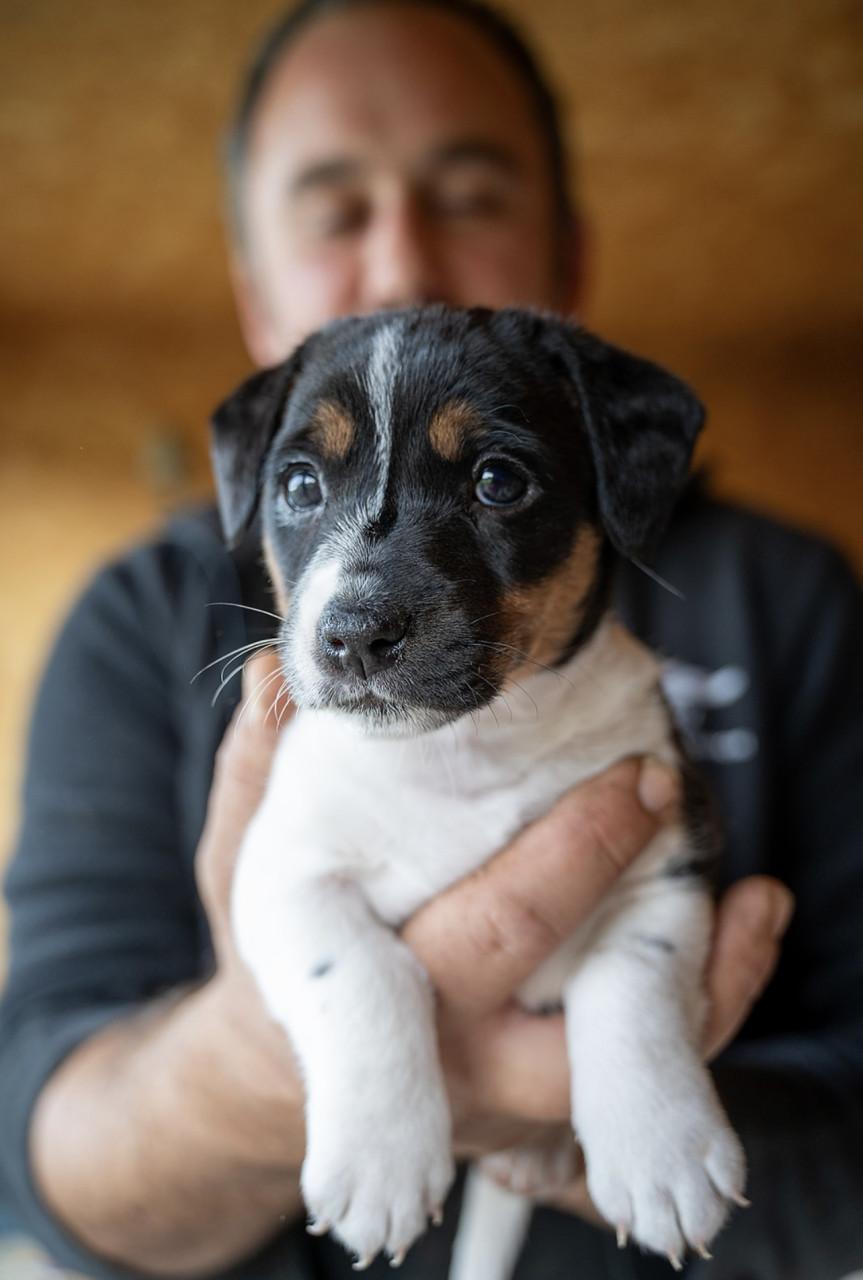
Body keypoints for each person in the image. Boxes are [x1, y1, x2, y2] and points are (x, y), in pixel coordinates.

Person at [1, 1, 861, 1277]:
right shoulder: (137, 623)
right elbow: (38, 1141)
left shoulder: (790, 598)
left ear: (565, 255)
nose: (400, 259)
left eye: (499, 484)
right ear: (253, 298)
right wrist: (291, 1057)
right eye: (335, 207)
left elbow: (688, 931)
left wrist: (617, 1070)